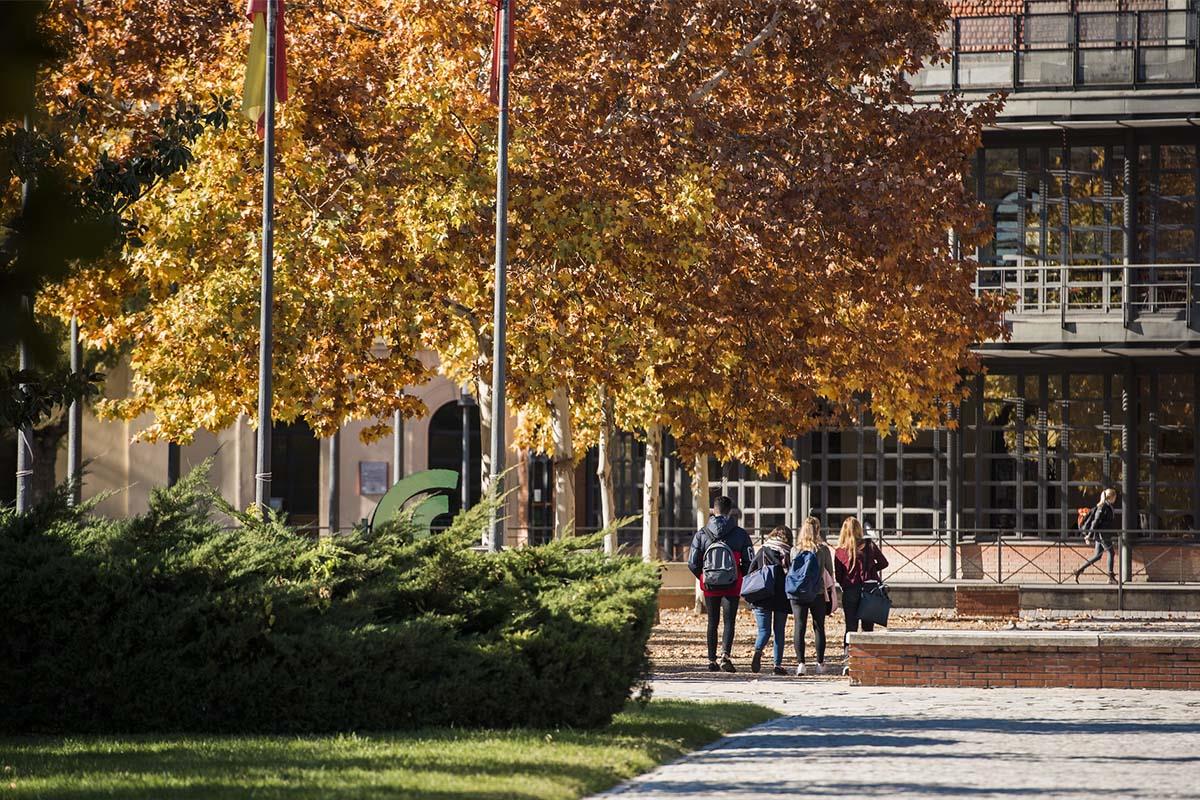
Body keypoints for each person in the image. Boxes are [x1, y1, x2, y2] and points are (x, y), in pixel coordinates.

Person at [688, 495, 754, 672]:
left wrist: (703, 576)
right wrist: (740, 575)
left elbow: (692, 563)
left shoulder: (702, 534)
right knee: (729, 621)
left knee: (712, 621)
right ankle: (725, 654)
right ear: (730, 511)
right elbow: (749, 561)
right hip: (732, 585)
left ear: (713, 510)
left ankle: (711, 660)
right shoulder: (740, 534)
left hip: (709, 586)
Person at [834, 516, 888, 655]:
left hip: (850, 590)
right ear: (859, 529)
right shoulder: (869, 545)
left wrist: (846, 582)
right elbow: (884, 563)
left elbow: (839, 576)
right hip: (869, 589)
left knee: (850, 626)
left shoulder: (840, 551)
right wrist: (871, 570)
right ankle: (867, 656)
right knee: (868, 626)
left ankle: (848, 655)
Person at [791, 516, 835, 675]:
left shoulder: (795, 549)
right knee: (818, 627)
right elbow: (830, 571)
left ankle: (801, 664)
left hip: (798, 593)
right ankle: (819, 663)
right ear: (818, 530)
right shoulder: (822, 549)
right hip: (818, 592)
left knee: (799, 627)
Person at [746, 525, 792, 675]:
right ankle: (777, 665)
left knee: (764, 630)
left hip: (761, 596)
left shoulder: (762, 550)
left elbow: (751, 571)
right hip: (781, 597)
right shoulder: (787, 553)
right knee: (779, 631)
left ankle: (758, 650)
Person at [1073, 488, 1118, 584]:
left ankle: (1079, 570)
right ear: (1111, 497)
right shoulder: (1103, 507)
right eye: (1115, 497)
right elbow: (1095, 522)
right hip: (1103, 534)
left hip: (1102, 534)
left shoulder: (1107, 506)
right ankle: (1110, 577)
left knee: (1097, 556)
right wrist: (1089, 535)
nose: (1115, 499)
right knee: (1111, 553)